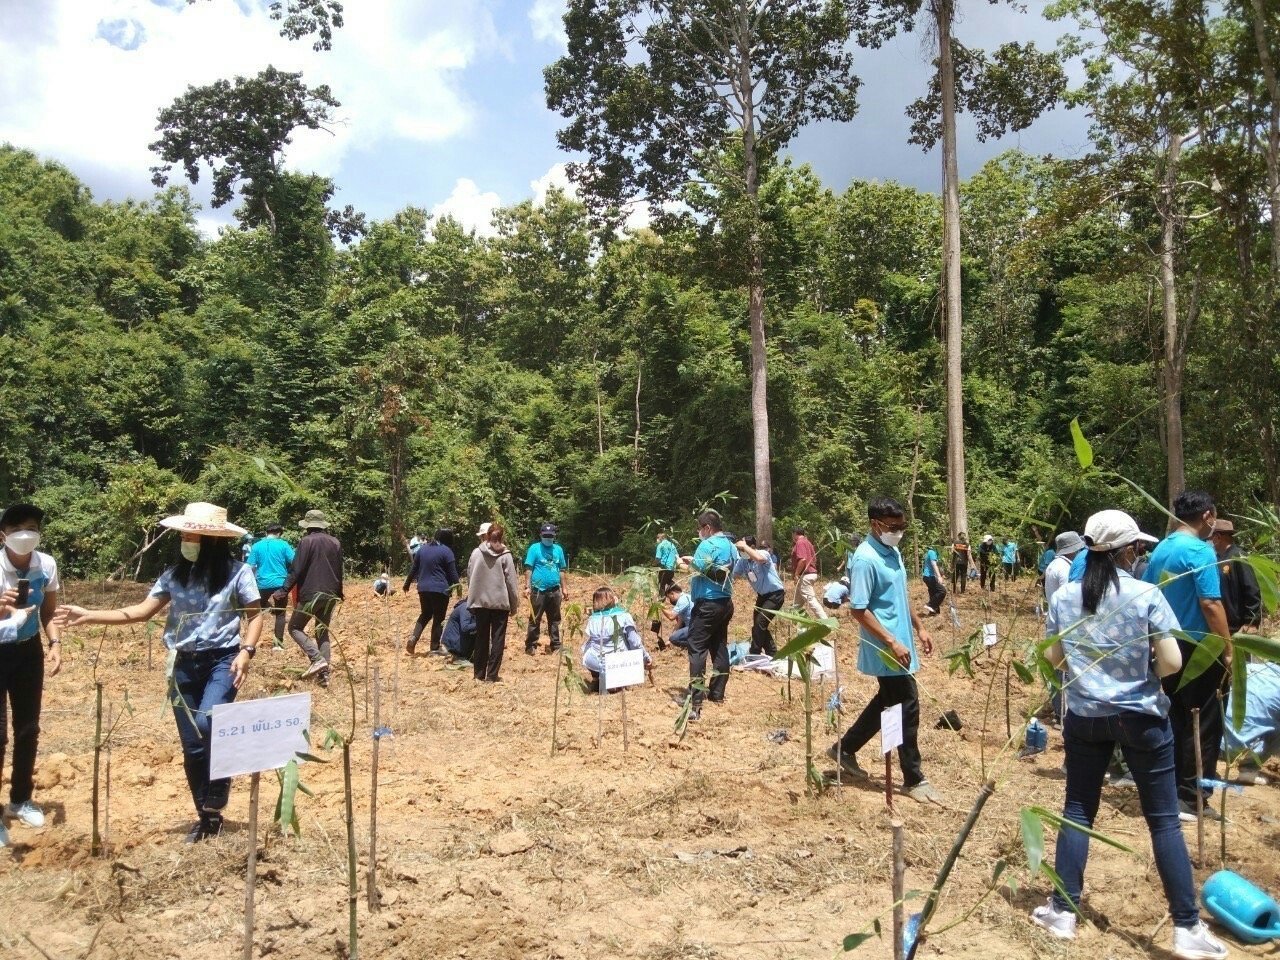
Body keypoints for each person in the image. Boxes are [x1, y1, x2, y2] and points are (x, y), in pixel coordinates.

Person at [1031, 509, 1227, 960]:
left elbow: (1056, 659)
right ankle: (1186, 927)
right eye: (1138, 546)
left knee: (1078, 809)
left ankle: (1063, 910)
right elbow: (1173, 663)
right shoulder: (1145, 595)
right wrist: (1141, 675)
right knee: (1163, 821)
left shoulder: (1064, 598)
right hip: (1142, 717)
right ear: (1129, 550)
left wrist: (1089, 678)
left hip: (1085, 717)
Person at [58, 502, 261, 843]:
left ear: (211, 539)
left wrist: (247, 652)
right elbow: (140, 612)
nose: (185, 540)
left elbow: (255, 616)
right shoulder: (173, 574)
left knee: (209, 720)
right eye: (183, 534)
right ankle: (208, 818)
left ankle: (221, 782)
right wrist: (89, 614)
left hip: (221, 661)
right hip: (183, 666)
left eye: (191, 534)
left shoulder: (238, 572)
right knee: (193, 748)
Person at [827, 497, 940, 804]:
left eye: (902, 526)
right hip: (885, 647)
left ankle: (844, 749)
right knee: (907, 705)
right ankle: (913, 777)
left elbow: (899, 595)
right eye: (893, 526)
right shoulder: (865, 559)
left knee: (887, 702)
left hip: (901, 641)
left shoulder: (892, 551)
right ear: (875, 524)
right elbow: (859, 610)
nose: (899, 531)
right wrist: (891, 641)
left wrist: (919, 627)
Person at [1144, 490, 1233, 821]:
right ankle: (1194, 795)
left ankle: (1172, 787)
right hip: (1198, 646)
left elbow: (1148, 595)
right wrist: (1227, 648)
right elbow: (1210, 603)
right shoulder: (1200, 551)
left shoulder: (1161, 549)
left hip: (1166, 645)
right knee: (1204, 722)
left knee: (1175, 716)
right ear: (1208, 516)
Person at [0, 504, 63, 839]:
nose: (27, 533)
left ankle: (20, 799)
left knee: (28, 729)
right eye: (19, 527)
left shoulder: (46, 564)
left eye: (33, 526)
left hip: (28, 652)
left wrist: (55, 644)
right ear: (3, 535)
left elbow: (48, 612)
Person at [275, 509, 344, 688]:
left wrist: (283, 589)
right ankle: (324, 675)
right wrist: (340, 592)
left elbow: (296, 570)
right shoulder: (335, 542)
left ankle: (317, 658)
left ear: (308, 526)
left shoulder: (306, 542)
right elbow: (339, 570)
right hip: (330, 594)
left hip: (310, 594)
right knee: (322, 631)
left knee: (295, 627)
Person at [678, 510, 735, 720]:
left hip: (707, 604)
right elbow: (723, 570)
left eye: (700, 528)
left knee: (697, 648)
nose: (699, 532)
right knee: (719, 645)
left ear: (707, 528)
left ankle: (695, 702)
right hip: (725, 603)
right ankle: (717, 693)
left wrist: (687, 562)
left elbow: (700, 568)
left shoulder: (707, 545)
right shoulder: (730, 545)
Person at [467, 522, 520, 682]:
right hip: (500, 604)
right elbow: (511, 582)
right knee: (498, 639)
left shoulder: (476, 553)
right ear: (502, 537)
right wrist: (514, 603)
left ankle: (478, 675)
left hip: (480, 602)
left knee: (481, 638)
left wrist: (473, 597)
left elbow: (470, 576)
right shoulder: (506, 555)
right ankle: (492, 676)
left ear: (487, 535)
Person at [580, 586, 654, 690]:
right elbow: (634, 642)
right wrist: (645, 657)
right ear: (613, 599)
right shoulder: (623, 616)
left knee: (589, 647)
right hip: (617, 663)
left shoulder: (592, 619)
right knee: (628, 640)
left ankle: (597, 678)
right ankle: (617, 682)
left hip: (594, 662)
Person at [403, 527, 459, 656]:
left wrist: (407, 584)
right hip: (440, 589)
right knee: (439, 618)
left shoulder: (423, 549)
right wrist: (457, 587)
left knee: (425, 614)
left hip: (423, 588)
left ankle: (414, 638)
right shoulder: (447, 551)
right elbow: (453, 573)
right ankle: (434, 647)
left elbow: (414, 569)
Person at [734, 535, 785, 657]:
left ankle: (754, 652)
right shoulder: (743, 561)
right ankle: (772, 653)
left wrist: (745, 547)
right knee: (759, 625)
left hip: (775, 595)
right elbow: (733, 575)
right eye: (740, 550)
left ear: (751, 547)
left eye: (743, 549)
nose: (742, 552)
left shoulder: (762, 553)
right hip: (762, 596)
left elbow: (759, 558)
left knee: (760, 623)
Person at [247, 522, 294, 651]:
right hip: (280, 583)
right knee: (280, 614)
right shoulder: (283, 544)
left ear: (266, 533)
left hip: (262, 583)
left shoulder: (256, 546)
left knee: (258, 609)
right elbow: (294, 561)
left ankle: (251, 640)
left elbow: (250, 567)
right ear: (279, 533)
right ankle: (278, 645)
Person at [1210, 519, 1262, 636]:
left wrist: (1251, 621)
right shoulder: (1216, 558)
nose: (1209, 541)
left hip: (1239, 627)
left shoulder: (1238, 556)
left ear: (1218, 537)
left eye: (1210, 537)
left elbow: (1251, 588)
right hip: (1223, 626)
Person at [524, 523, 568, 655]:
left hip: (554, 590)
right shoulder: (534, 548)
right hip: (538, 590)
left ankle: (555, 645)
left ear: (554, 536)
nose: (548, 539)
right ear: (541, 535)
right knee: (534, 618)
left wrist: (564, 588)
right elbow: (528, 569)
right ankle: (531, 645)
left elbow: (562, 570)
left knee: (555, 619)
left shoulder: (558, 550)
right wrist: (527, 586)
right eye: (546, 536)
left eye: (550, 536)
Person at [790, 527, 825, 620]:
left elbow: (803, 560)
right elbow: (814, 559)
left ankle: (825, 621)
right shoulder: (808, 543)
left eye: (792, 534)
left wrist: (796, 574)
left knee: (810, 600)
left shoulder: (800, 542)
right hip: (808, 574)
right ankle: (793, 620)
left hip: (805, 575)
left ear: (794, 533)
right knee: (797, 602)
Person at [1043, 531, 1084, 603]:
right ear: (1073, 551)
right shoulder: (1065, 568)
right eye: (1079, 549)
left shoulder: (1055, 563)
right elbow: (1067, 597)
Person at [661, 582, 693, 650]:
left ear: (672, 594)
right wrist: (670, 639)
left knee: (674, 638)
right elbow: (679, 623)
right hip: (691, 626)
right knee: (673, 638)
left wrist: (661, 607)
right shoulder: (686, 597)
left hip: (693, 627)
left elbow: (671, 617)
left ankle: (695, 645)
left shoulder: (683, 599)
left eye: (670, 598)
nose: (670, 600)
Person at [921, 543, 946, 615]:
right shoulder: (932, 552)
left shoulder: (932, 552)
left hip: (928, 576)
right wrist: (939, 576)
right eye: (942, 548)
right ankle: (930, 605)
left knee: (933, 592)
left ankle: (933, 612)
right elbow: (934, 564)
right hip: (929, 576)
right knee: (942, 591)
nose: (942, 549)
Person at [654, 531, 678, 598]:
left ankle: (662, 598)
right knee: (668, 581)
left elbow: (658, 558)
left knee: (661, 584)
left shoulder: (660, 545)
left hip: (664, 568)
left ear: (661, 538)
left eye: (657, 538)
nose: (657, 540)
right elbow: (677, 556)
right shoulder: (672, 545)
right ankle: (677, 591)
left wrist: (653, 565)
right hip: (672, 568)